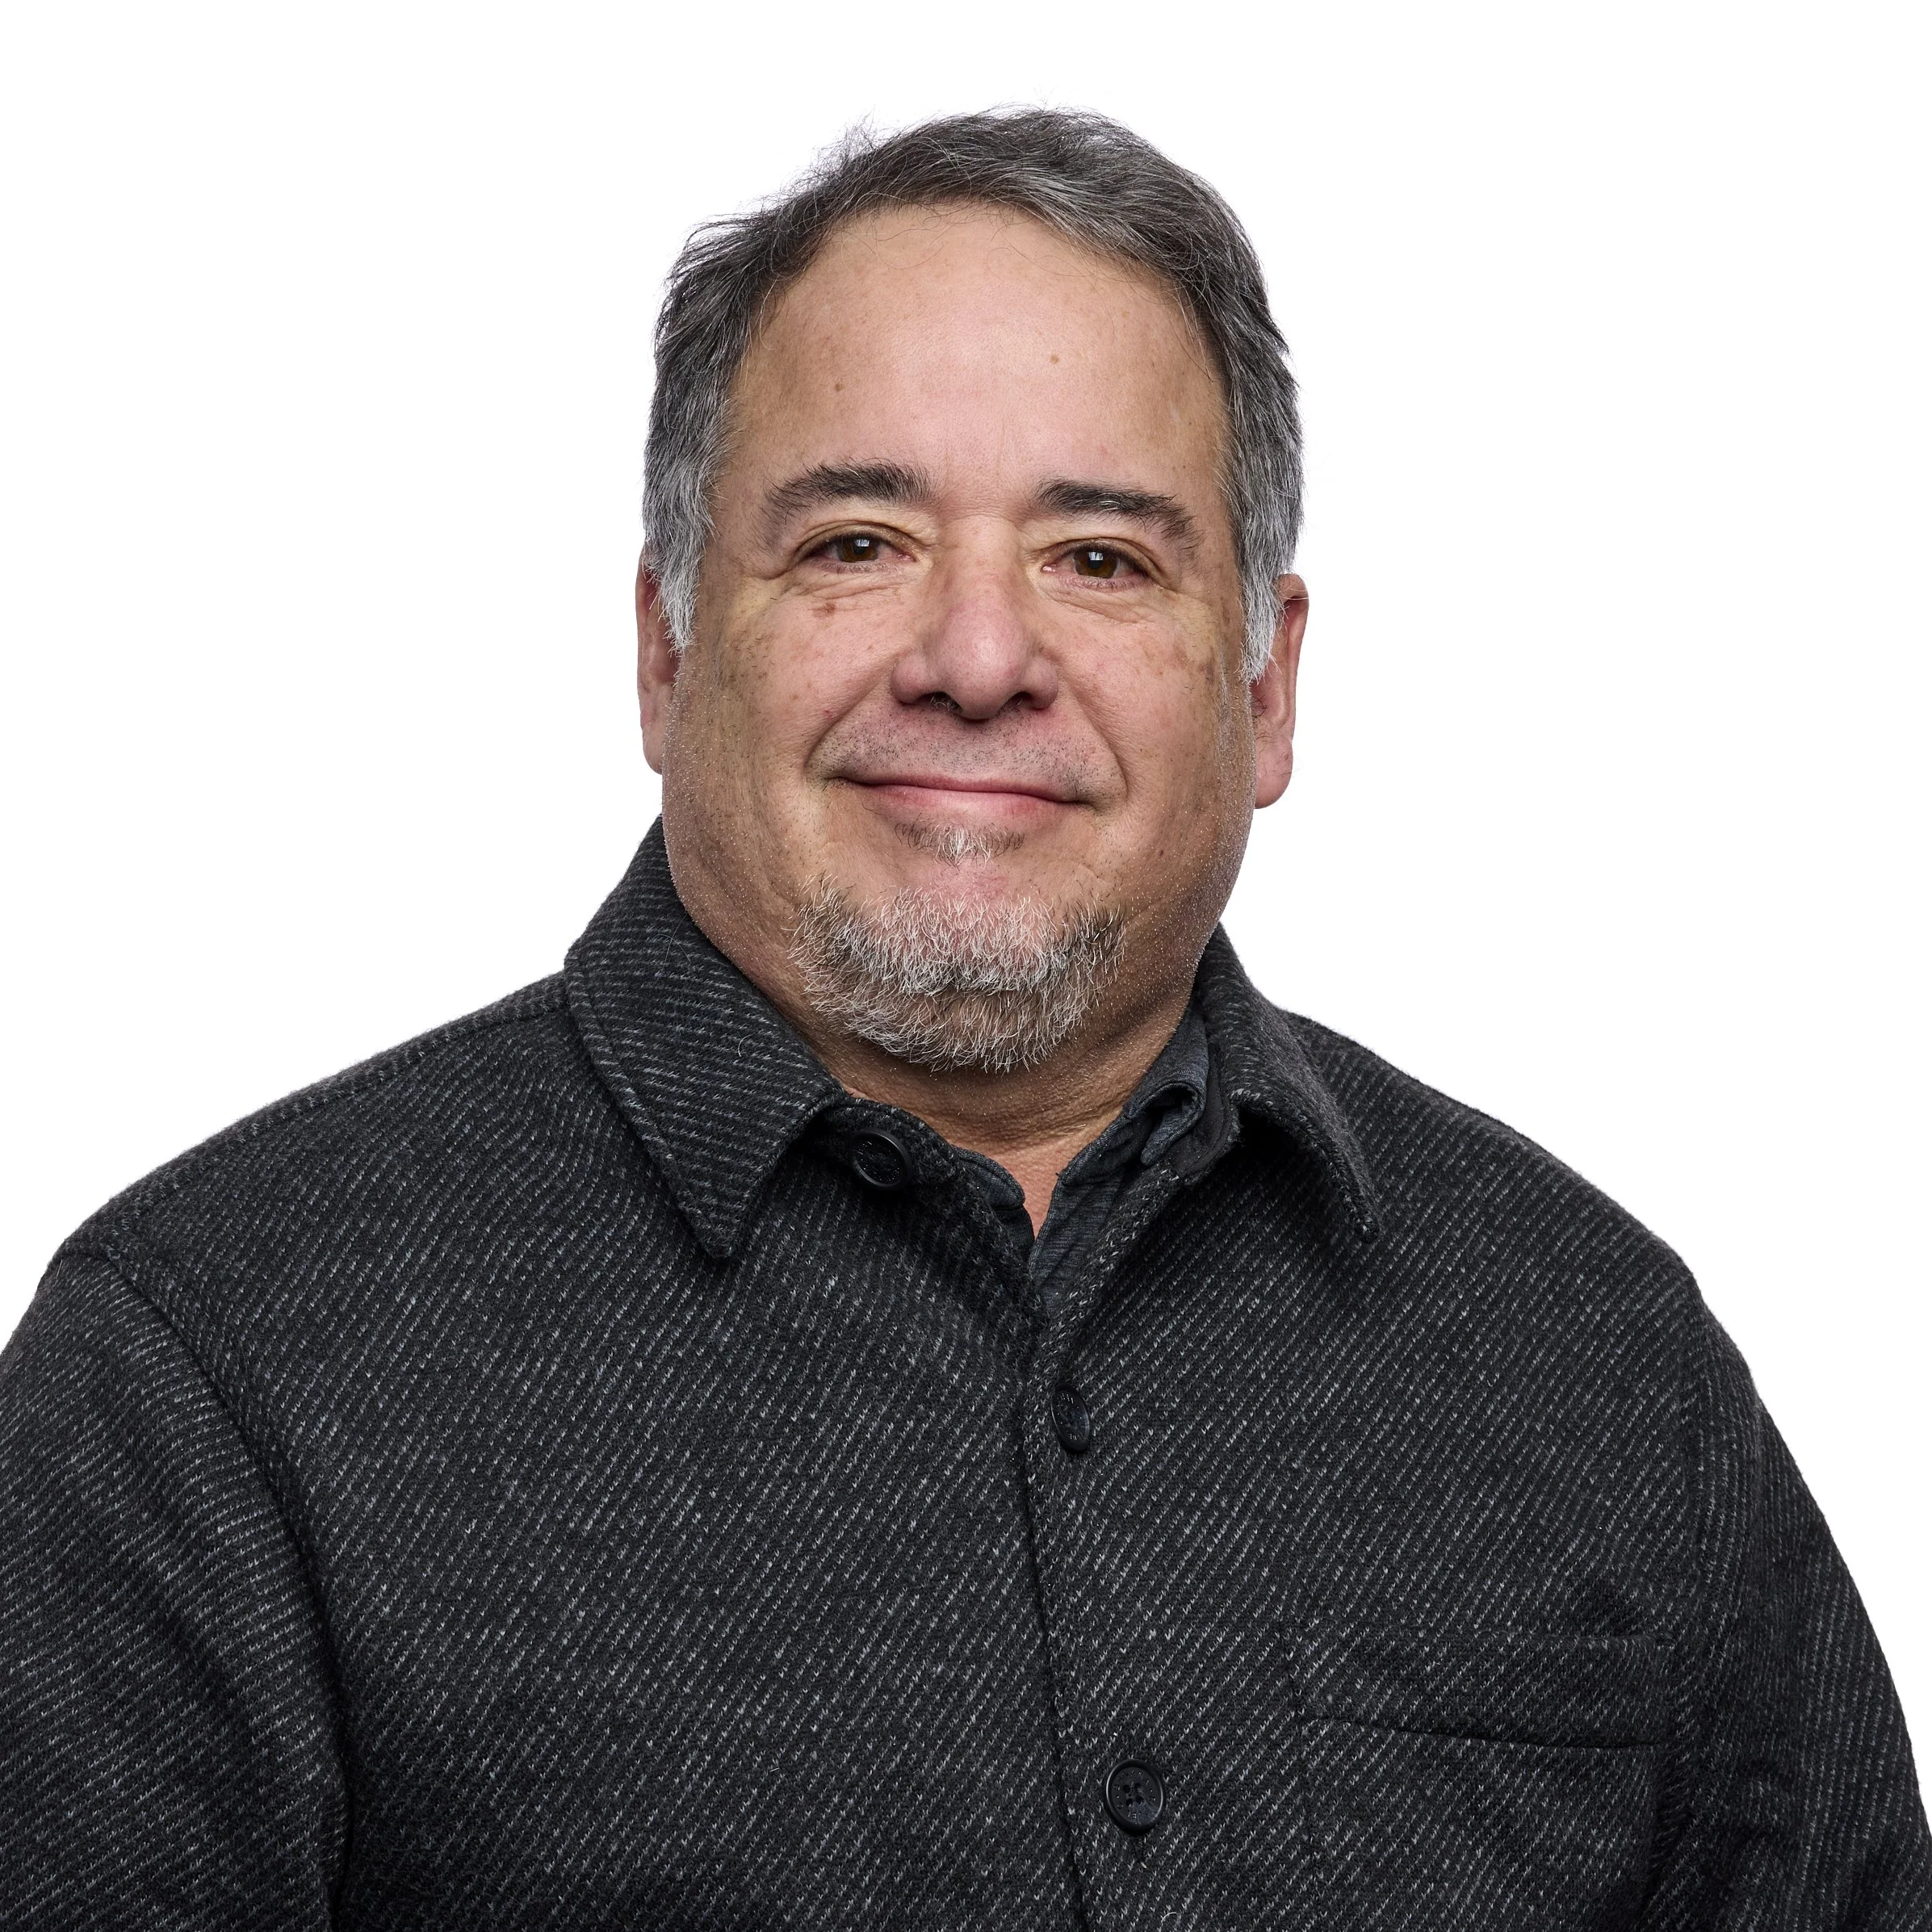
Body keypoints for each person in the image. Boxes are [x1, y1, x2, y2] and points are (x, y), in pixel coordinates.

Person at [1, 107, 1925, 1931]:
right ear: (666, 649)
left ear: (1263, 686)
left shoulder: (1589, 1347)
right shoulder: (208, 1372)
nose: (978, 659)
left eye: (1101, 557)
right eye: (855, 541)